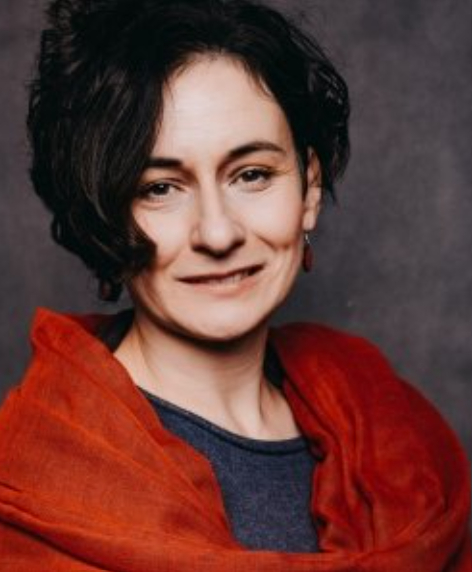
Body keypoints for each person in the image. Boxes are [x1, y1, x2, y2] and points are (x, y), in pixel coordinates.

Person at [0, 0, 470, 570]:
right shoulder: (39, 475)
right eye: (159, 188)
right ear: (104, 217)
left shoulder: (395, 428)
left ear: (309, 187)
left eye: (252, 175)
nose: (218, 233)